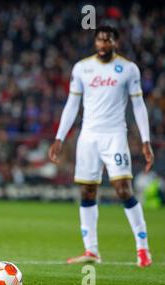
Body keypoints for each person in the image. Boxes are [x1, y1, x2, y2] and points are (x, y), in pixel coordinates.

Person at [48, 26, 154, 267]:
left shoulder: (128, 69)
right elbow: (72, 105)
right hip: (88, 136)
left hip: (115, 135)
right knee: (86, 191)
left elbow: (138, 107)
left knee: (122, 189)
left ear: (115, 43)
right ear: (95, 43)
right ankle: (91, 250)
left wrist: (146, 141)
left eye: (107, 41)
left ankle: (143, 249)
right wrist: (59, 138)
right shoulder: (82, 68)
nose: (103, 44)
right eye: (99, 40)